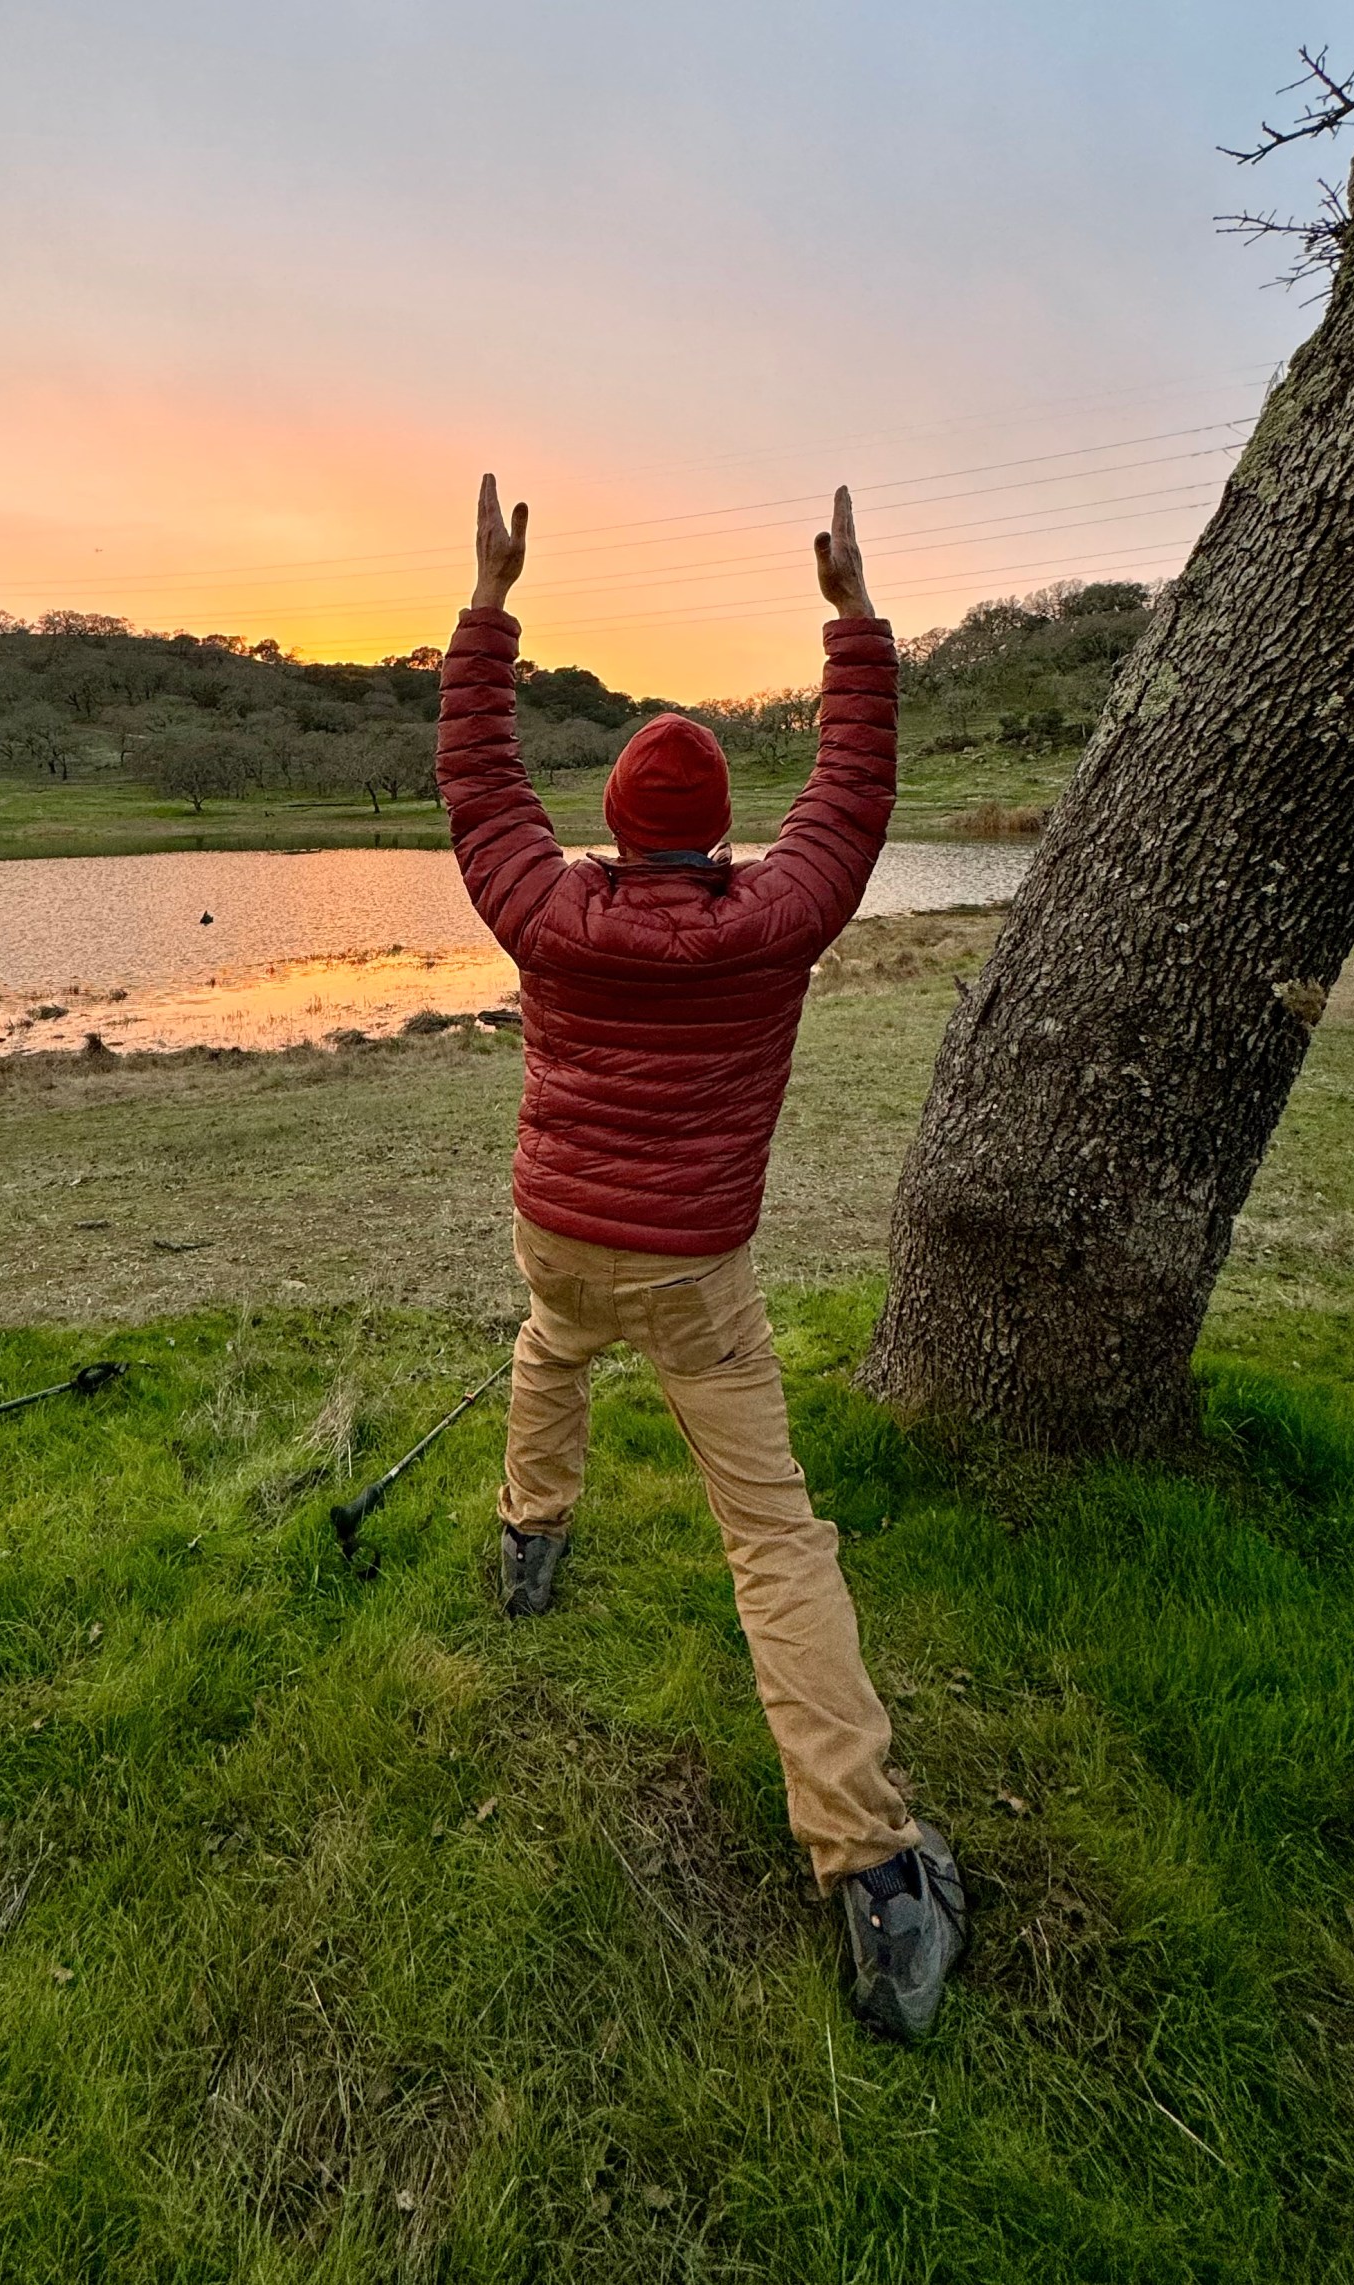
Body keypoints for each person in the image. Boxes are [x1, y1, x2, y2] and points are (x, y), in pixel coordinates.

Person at [434, 473, 966, 2039]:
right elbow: (851, 800)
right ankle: (875, 1876)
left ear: (613, 823)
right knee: (774, 1540)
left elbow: (479, 787)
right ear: (722, 828)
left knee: (549, 1346)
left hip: (560, 1233)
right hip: (693, 1271)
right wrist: (853, 623)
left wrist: (489, 607)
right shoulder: (778, 914)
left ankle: (530, 1550)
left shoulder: (548, 909)